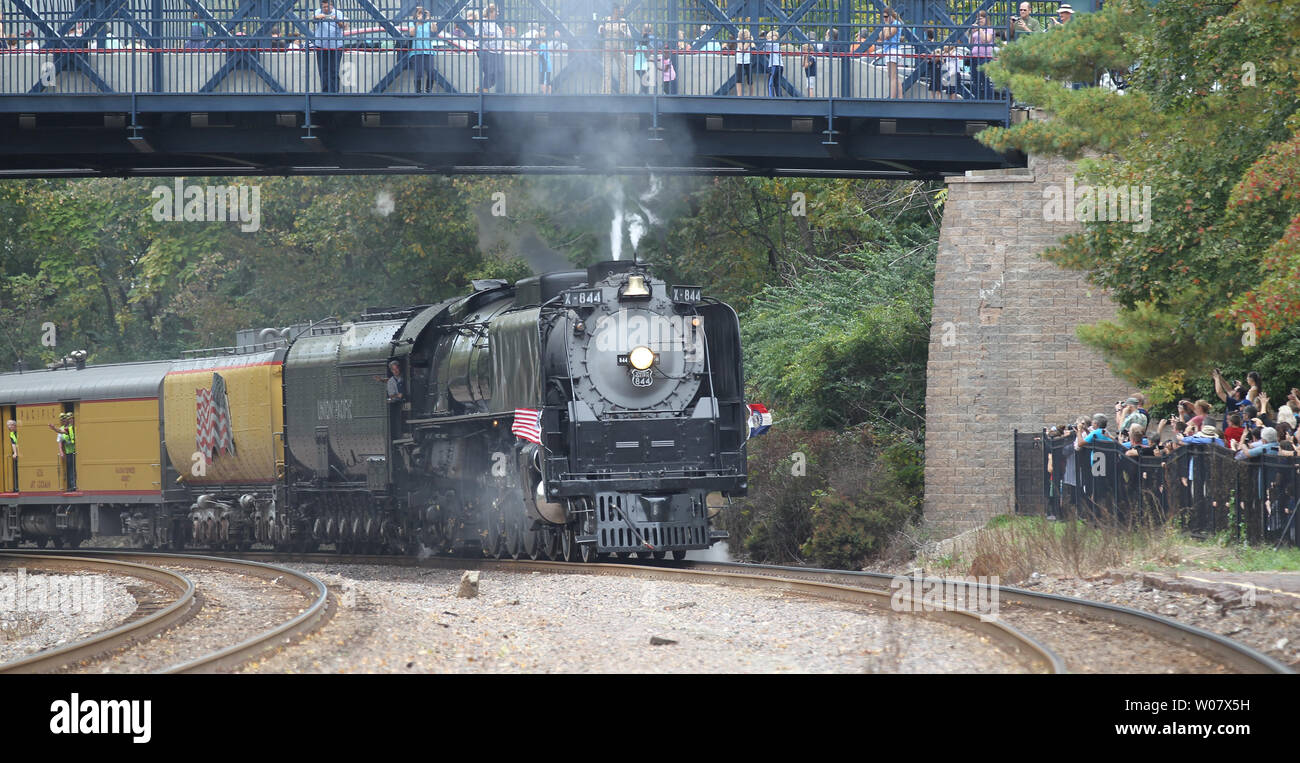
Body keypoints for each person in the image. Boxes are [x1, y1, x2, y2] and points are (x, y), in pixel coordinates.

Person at [311, 0, 347, 93]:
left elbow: (344, 26)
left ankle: (334, 91)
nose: (326, 9)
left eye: (327, 7)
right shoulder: (318, 12)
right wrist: (317, 17)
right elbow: (313, 21)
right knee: (323, 70)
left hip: (335, 46)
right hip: (321, 46)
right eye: (324, 7)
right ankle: (325, 91)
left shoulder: (338, 13)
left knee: (334, 70)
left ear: (332, 6)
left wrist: (336, 20)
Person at [598, 7, 629, 94]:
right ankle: (606, 92)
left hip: (619, 48)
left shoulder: (623, 21)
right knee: (607, 71)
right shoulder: (605, 20)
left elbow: (629, 36)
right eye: (619, 10)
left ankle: (623, 91)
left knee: (623, 70)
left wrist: (623, 33)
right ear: (615, 10)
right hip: (608, 47)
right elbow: (599, 31)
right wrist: (601, 30)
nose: (621, 12)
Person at [876, 7, 904, 98]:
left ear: (891, 16)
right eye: (883, 17)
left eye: (886, 16)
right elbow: (880, 36)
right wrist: (886, 25)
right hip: (890, 50)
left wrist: (887, 25)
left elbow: (887, 36)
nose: (885, 19)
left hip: (893, 50)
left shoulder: (896, 24)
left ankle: (892, 98)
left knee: (891, 76)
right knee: (895, 76)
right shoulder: (889, 24)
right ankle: (900, 97)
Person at [967, 9, 995, 99]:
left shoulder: (989, 29)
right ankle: (977, 98)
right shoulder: (976, 30)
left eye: (982, 18)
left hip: (985, 57)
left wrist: (980, 29)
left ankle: (989, 99)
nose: (980, 20)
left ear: (986, 19)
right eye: (978, 18)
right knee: (975, 80)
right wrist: (971, 32)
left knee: (984, 79)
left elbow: (985, 40)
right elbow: (970, 43)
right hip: (975, 57)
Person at [409, 7, 436, 93]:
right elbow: (412, 33)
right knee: (418, 73)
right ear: (416, 14)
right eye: (420, 13)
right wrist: (418, 22)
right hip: (416, 52)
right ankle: (418, 91)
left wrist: (430, 19)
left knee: (431, 72)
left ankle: (428, 90)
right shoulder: (412, 23)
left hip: (429, 51)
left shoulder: (428, 23)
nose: (422, 14)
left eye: (423, 13)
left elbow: (434, 30)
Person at [477, 4, 503, 93]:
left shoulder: (494, 24)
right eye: (497, 12)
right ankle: (484, 92)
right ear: (491, 12)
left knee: (498, 72)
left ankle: (482, 88)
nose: (498, 14)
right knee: (489, 72)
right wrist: (491, 37)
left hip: (495, 52)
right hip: (485, 50)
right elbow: (478, 35)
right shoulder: (482, 22)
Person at [48, 412, 76, 492]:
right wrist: (54, 428)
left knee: (74, 469)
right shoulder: (66, 428)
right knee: (71, 469)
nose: (69, 420)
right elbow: (60, 432)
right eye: (63, 420)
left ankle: (74, 485)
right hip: (69, 452)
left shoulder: (73, 427)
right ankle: (72, 485)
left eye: (71, 419)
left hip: (76, 452)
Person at [634, 25, 654, 94]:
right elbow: (647, 56)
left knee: (644, 81)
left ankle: (643, 94)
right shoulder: (645, 47)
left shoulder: (638, 46)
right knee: (645, 81)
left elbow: (635, 54)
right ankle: (643, 95)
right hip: (642, 67)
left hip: (637, 67)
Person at [734, 28, 753, 96]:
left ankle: (751, 95)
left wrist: (747, 41)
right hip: (739, 61)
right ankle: (739, 95)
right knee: (738, 79)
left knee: (750, 80)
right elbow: (741, 48)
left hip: (747, 61)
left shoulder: (749, 40)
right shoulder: (738, 40)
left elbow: (744, 48)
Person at [765, 29, 783, 97]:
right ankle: (779, 96)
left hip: (775, 65)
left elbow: (765, 45)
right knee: (777, 83)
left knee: (770, 83)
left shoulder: (774, 43)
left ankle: (771, 97)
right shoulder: (775, 44)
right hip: (780, 65)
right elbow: (766, 49)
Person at [6, 419, 17, 491]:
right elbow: (13, 444)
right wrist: (15, 453)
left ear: (14, 425)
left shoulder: (20, 431)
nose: (8, 427)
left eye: (9, 425)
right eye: (7, 426)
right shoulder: (11, 433)